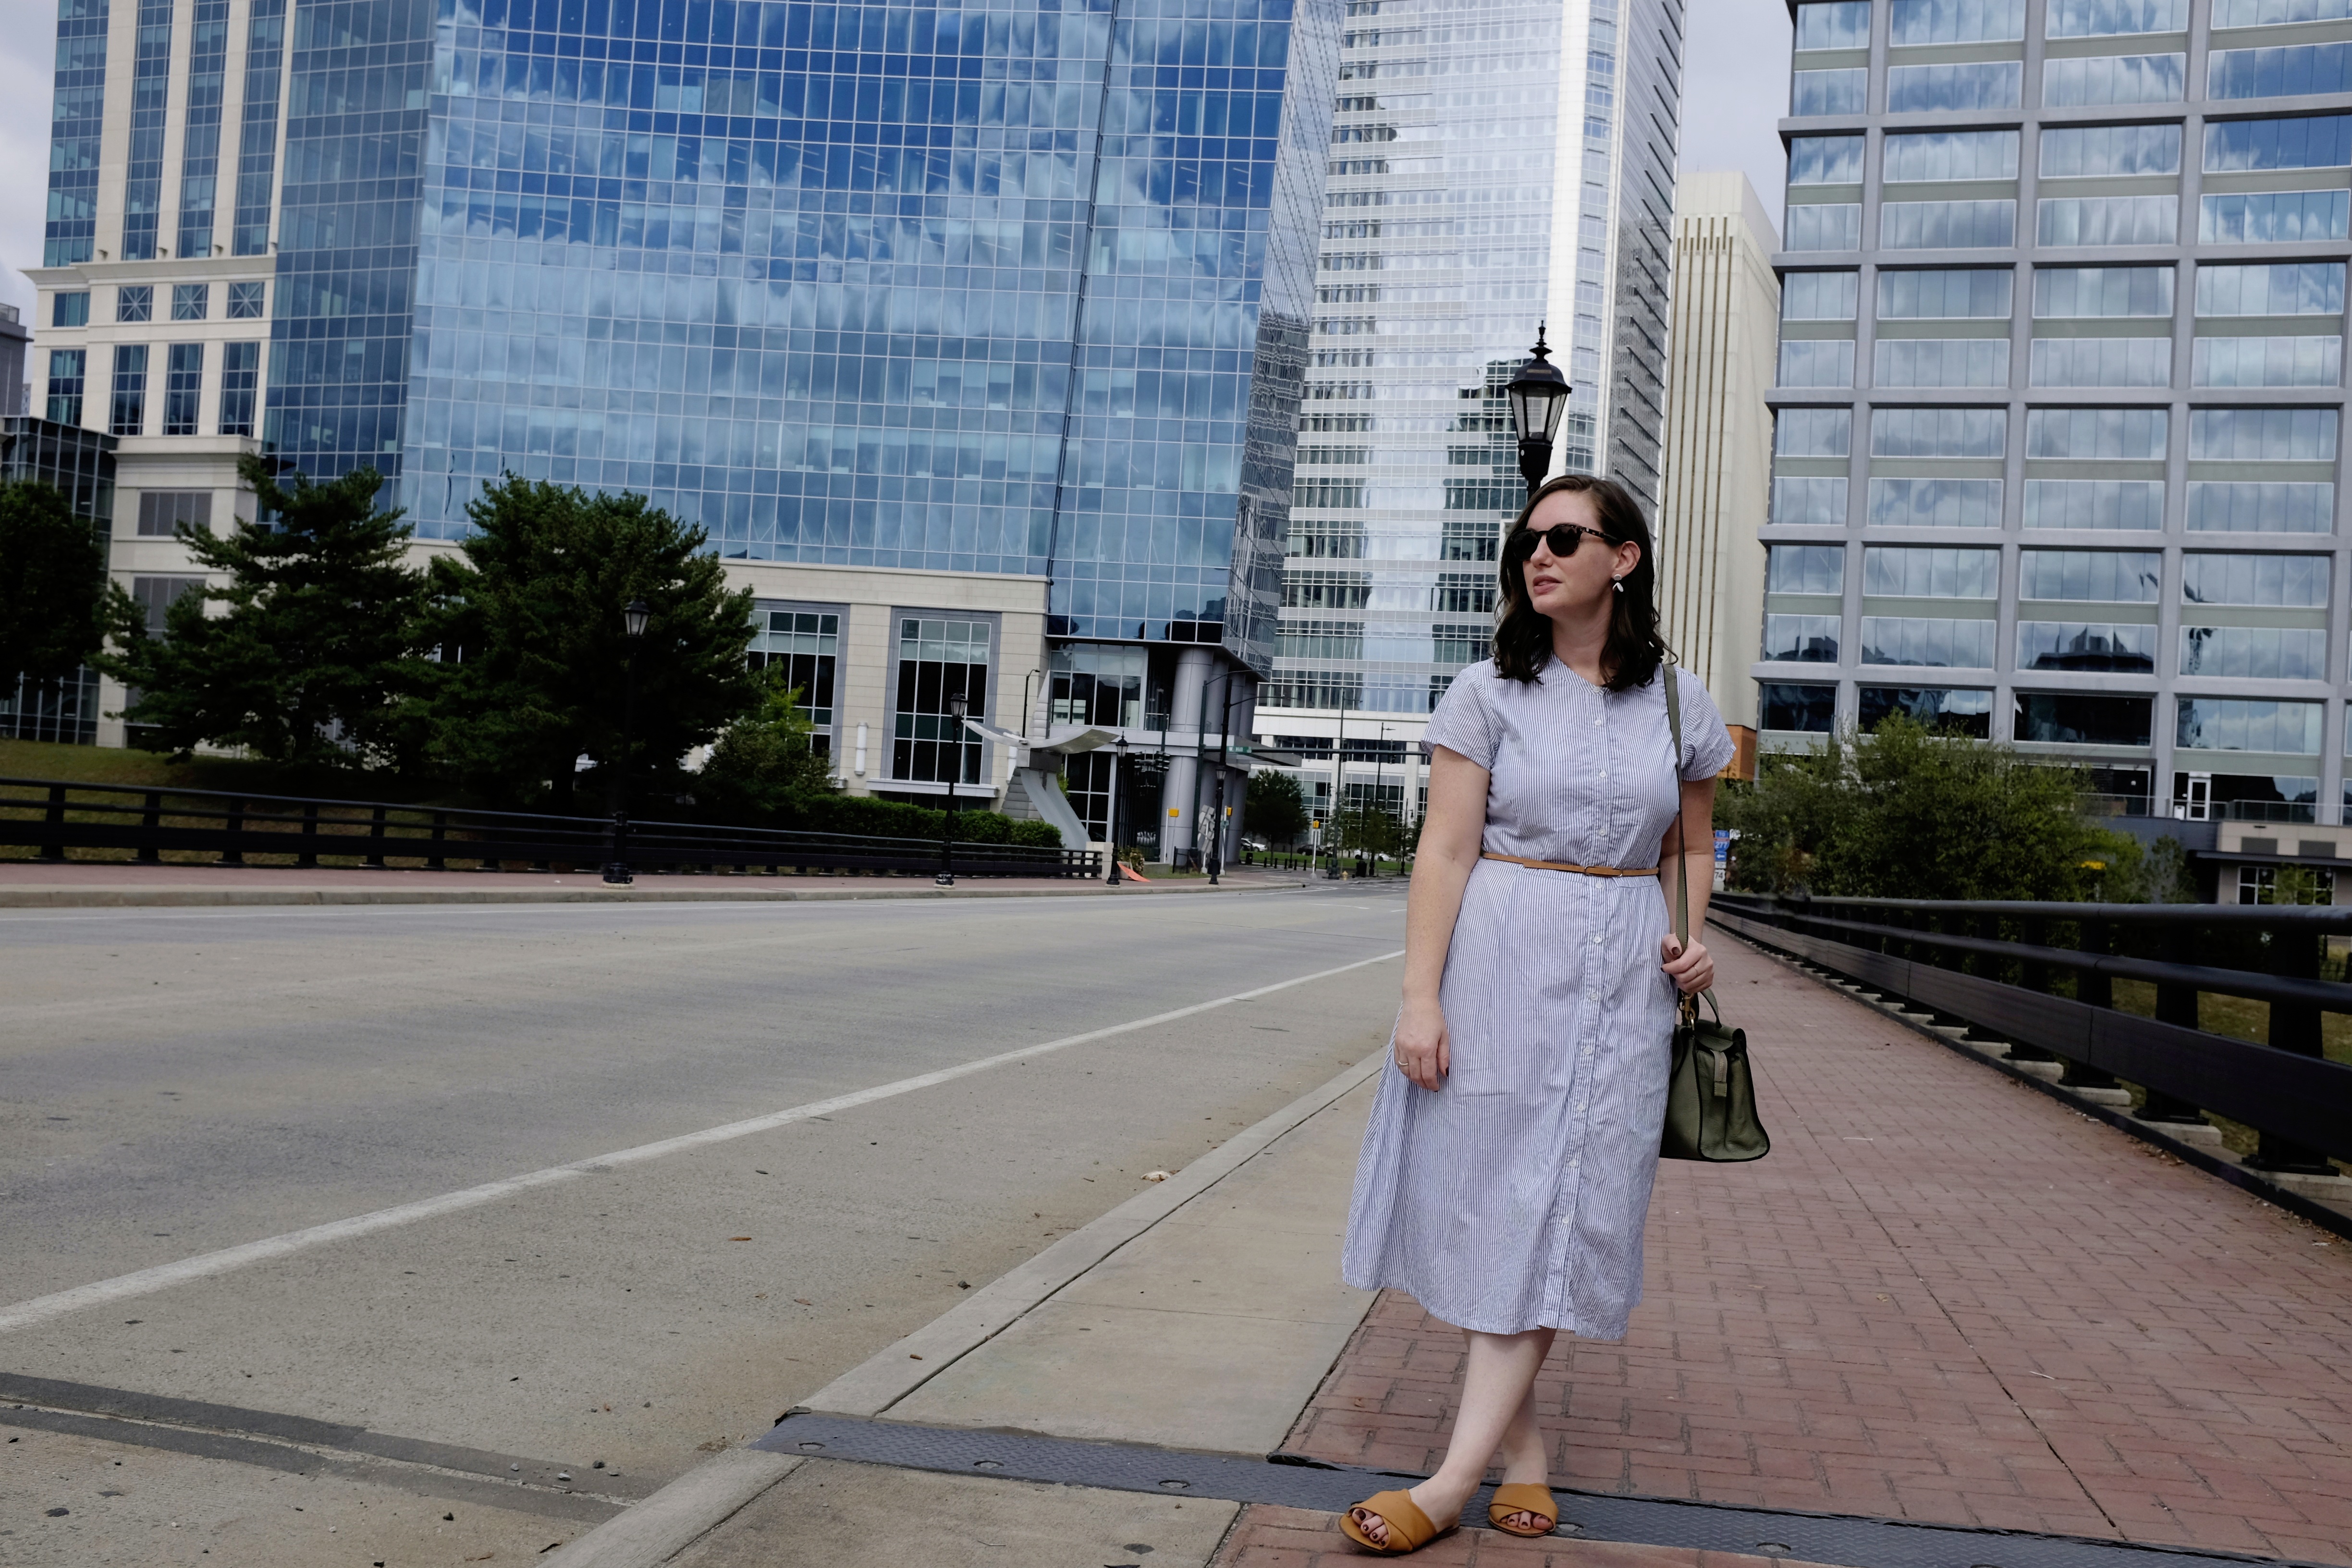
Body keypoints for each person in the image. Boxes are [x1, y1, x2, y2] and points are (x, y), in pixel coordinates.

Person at [1334, 474, 1733, 1554]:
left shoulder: (1679, 703)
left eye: (1566, 538)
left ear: (1625, 559)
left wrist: (1698, 931)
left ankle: (1449, 1480)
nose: (1539, 556)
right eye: (1529, 541)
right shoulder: (1485, 693)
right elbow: (1446, 850)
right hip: (1502, 958)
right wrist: (1418, 999)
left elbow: (1689, 846)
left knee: (1566, 1205)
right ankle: (1523, 1457)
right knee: (1491, 1202)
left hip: (1626, 977)